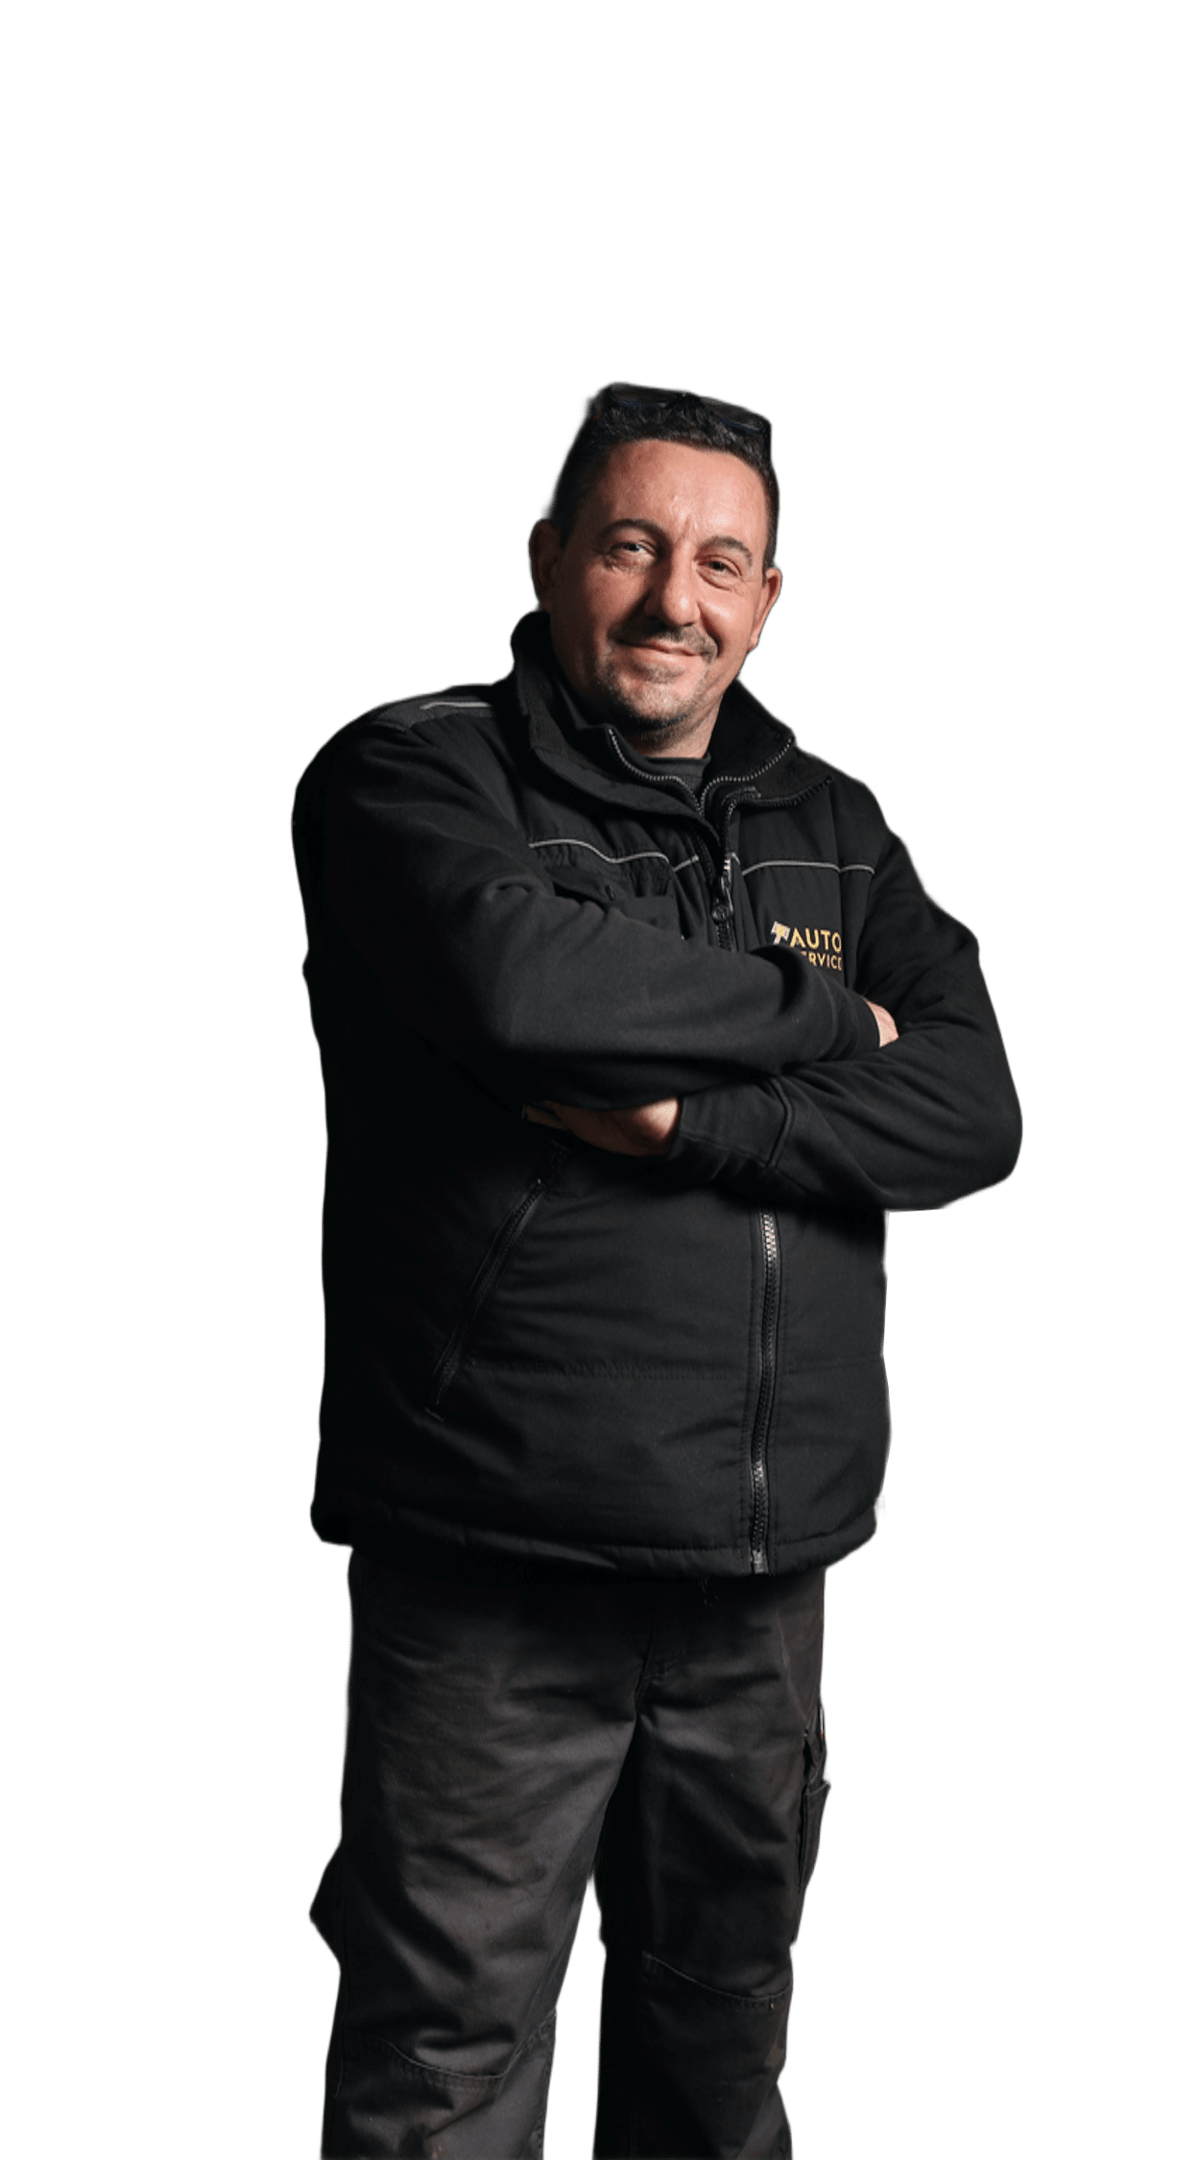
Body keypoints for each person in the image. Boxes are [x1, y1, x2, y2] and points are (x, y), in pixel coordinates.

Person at [290, 379, 1023, 2160]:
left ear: (767, 598)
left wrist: (700, 1119)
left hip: (761, 1580)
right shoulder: (414, 773)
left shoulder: (835, 819)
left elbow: (975, 1107)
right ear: (548, 553)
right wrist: (830, 1022)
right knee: (444, 2064)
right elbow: (526, 986)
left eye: (719, 561)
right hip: (497, 1563)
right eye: (630, 544)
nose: (672, 598)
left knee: (721, 2051)